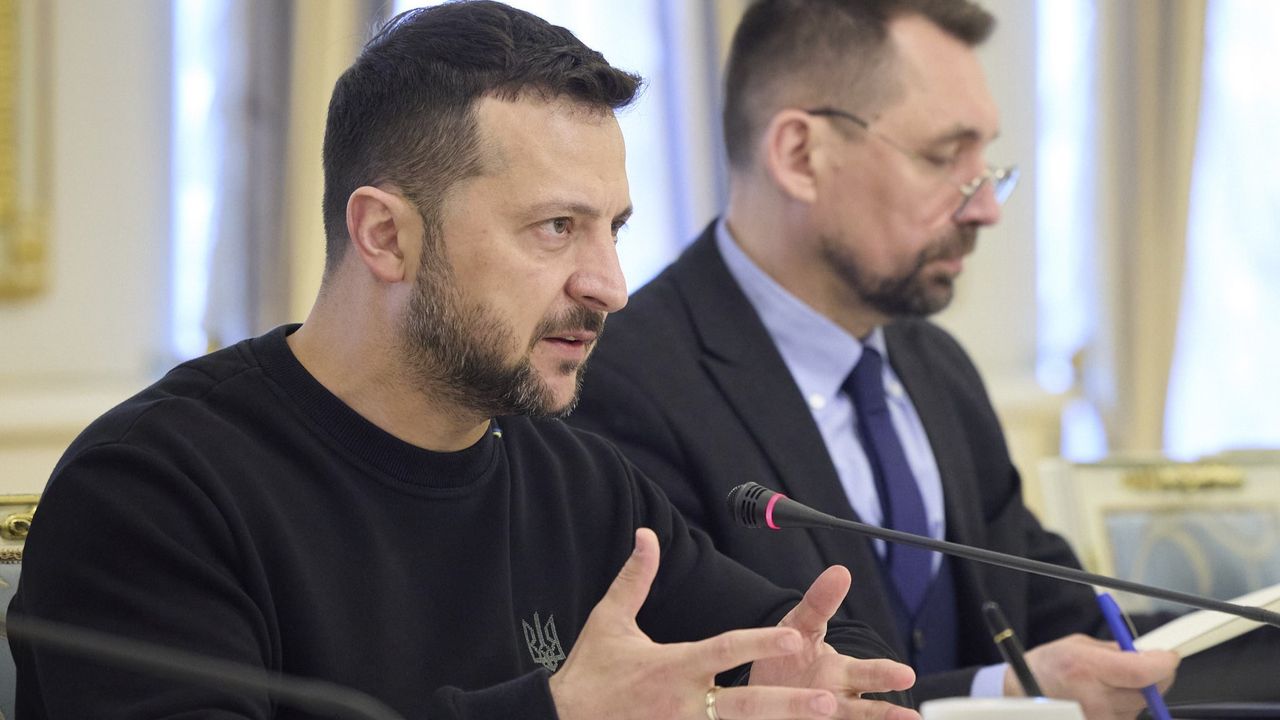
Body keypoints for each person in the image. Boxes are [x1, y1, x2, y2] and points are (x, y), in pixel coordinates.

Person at [7, 3, 923, 719]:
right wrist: (553, 712)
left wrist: (807, 681)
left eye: (613, 230)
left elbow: (806, 639)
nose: (610, 285)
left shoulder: (579, 485)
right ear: (384, 235)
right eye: (556, 227)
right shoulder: (155, 491)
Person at [567, 0, 1185, 717]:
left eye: (987, 161)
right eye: (944, 158)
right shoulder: (619, 382)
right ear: (800, 156)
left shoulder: (938, 366)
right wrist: (993, 694)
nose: (986, 208)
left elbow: (1054, 612)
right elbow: (711, 690)